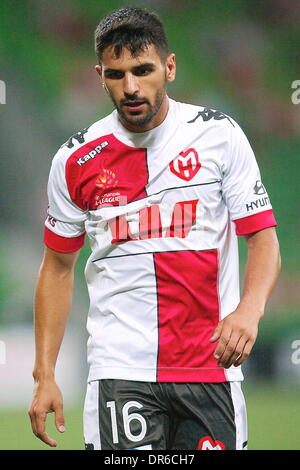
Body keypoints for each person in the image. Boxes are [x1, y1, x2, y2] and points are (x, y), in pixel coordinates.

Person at [28, 6, 281, 450]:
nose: (130, 88)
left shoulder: (219, 136)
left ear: (169, 66)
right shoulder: (75, 160)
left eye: (142, 70)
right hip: (121, 370)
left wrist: (249, 310)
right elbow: (57, 268)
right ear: (99, 75)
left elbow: (262, 238)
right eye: (115, 74)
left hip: (210, 367)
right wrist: (44, 374)